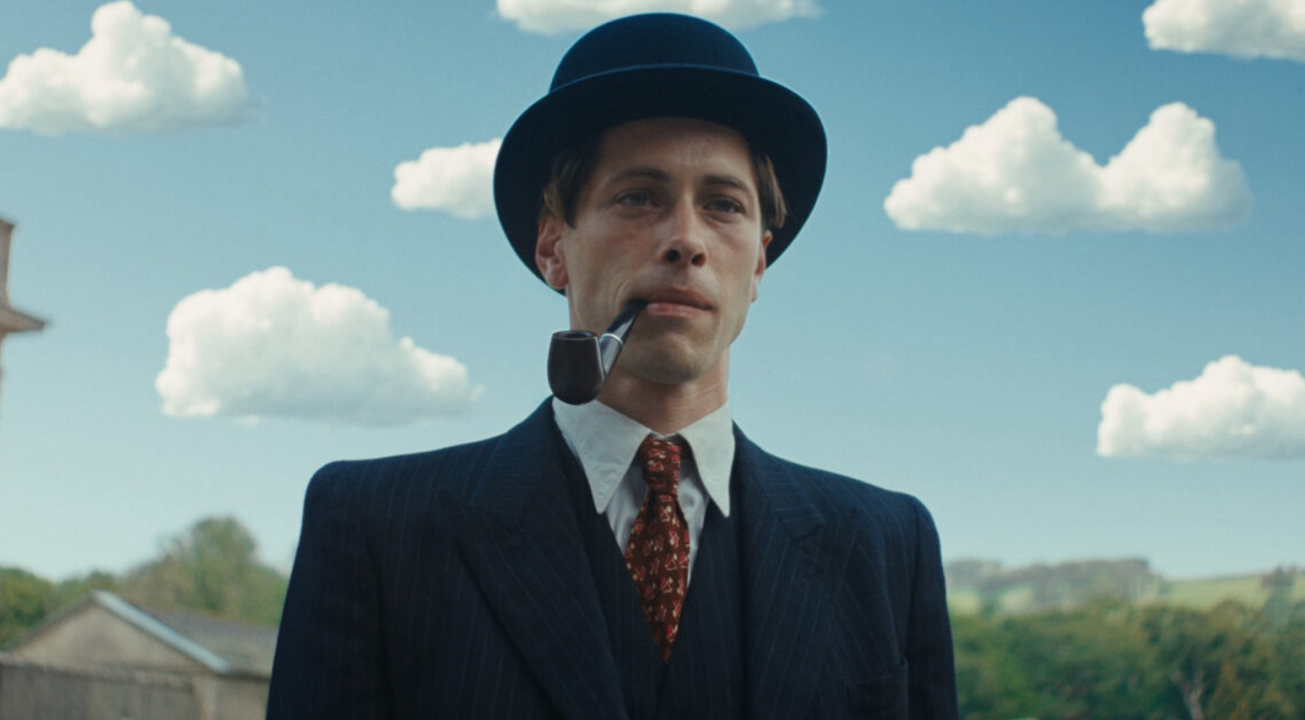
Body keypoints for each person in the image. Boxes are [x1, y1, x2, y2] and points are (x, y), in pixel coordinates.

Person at [267, 13, 958, 720]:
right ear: (552, 248)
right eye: (638, 197)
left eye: (723, 205)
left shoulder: (889, 546)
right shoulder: (373, 527)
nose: (686, 240)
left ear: (758, 264)